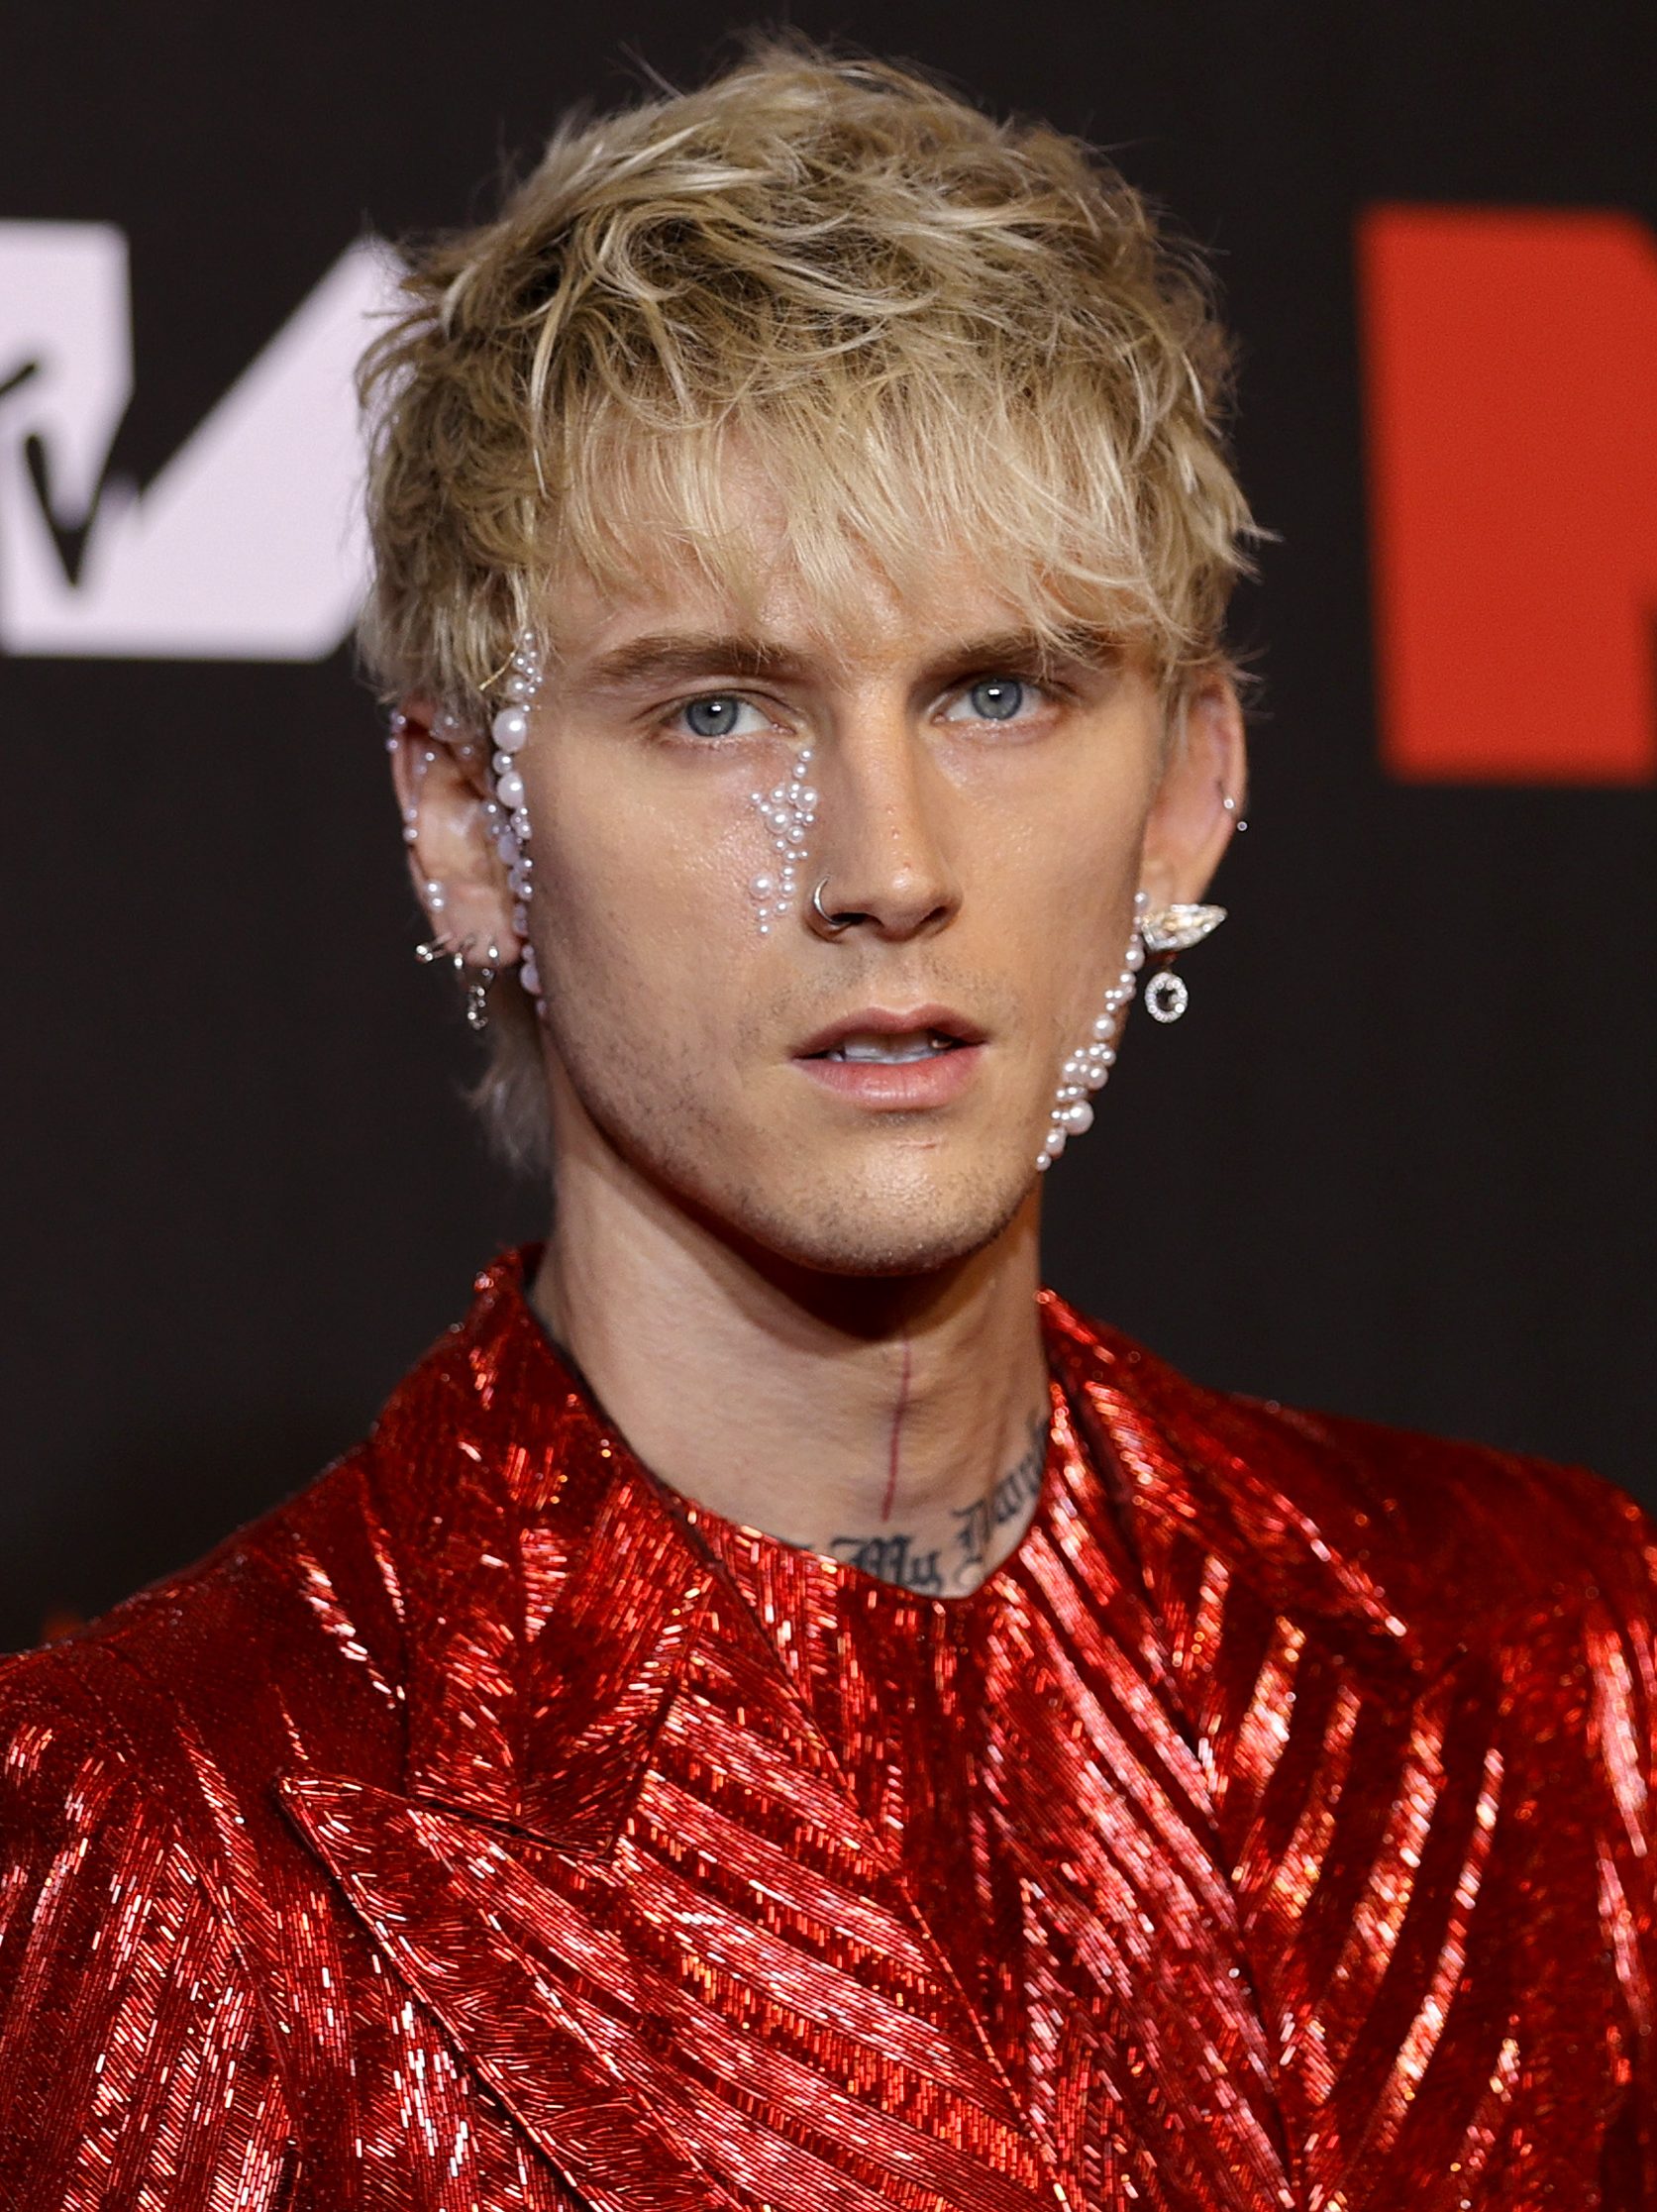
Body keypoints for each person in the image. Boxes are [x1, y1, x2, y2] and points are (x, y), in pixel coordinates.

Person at [0, 43, 1650, 2210]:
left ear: (1187, 792)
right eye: (717, 707)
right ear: (466, 825)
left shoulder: (1565, 1678)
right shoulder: (128, 1844)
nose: (880, 859)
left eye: (997, 690)